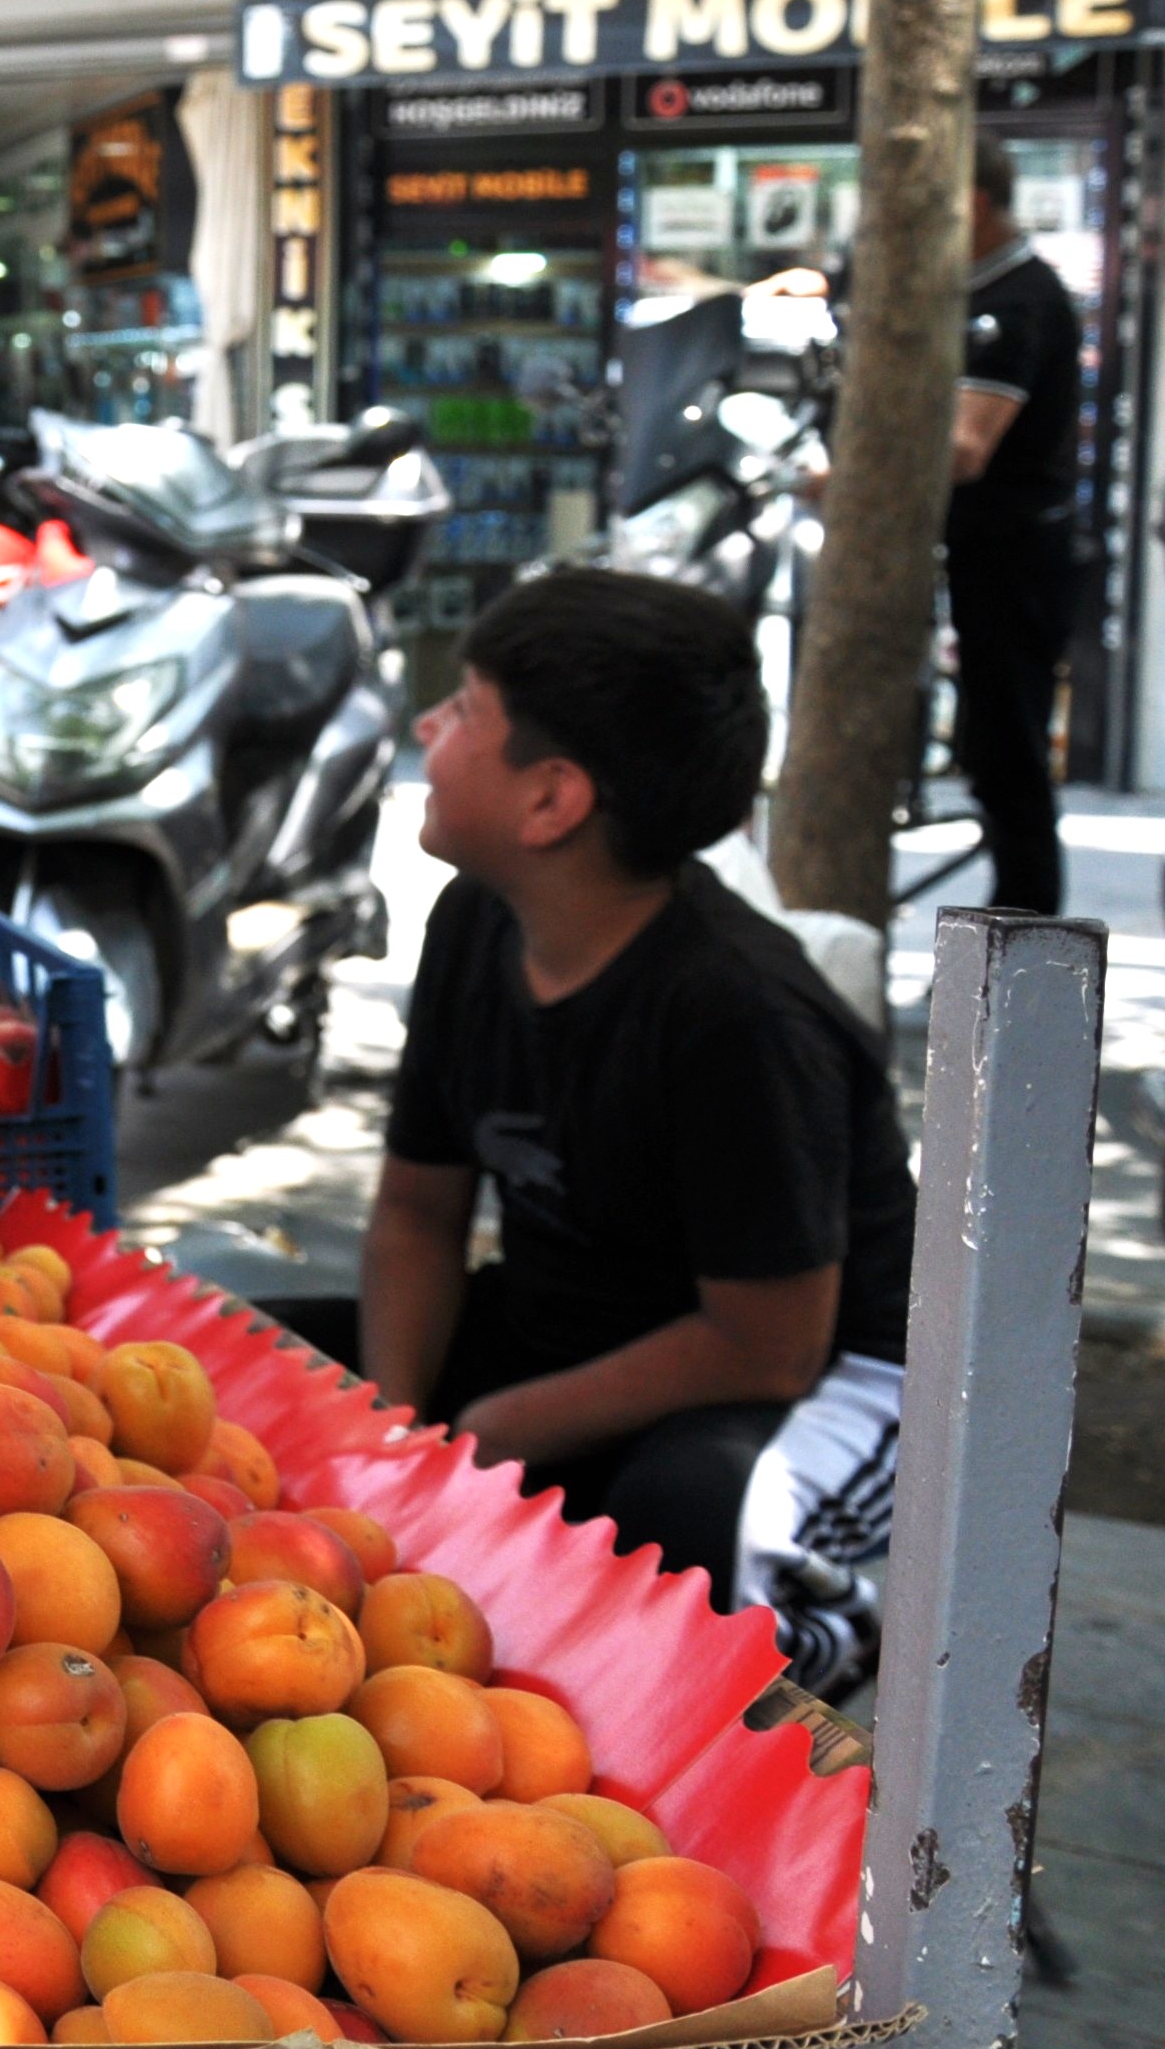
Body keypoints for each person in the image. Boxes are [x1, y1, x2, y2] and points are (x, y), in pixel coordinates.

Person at [276, 571, 911, 1697]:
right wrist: (401, 1433)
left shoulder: (737, 1014)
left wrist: (497, 1427)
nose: (430, 726)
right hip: (569, 1324)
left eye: (464, 708)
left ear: (551, 801)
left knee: (695, 1523)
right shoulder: (478, 920)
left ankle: (812, 1676)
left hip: (811, 1374)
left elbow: (769, 1340)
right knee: (245, 1366)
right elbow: (418, 1214)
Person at [948, 135, 1081, 914]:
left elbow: (968, 448)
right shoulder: (982, 292)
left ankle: (1024, 946)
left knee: (1011, 759)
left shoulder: (1015, 302)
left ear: (971, 203)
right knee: (994, 758)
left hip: (1016, 558)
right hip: (989, 556)